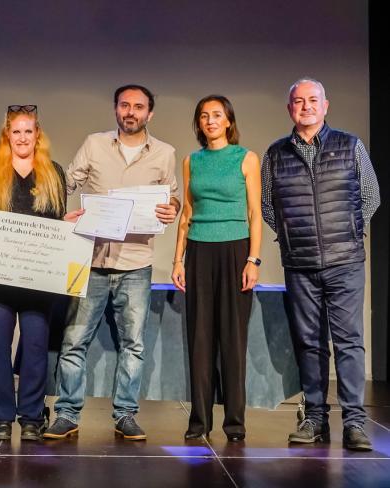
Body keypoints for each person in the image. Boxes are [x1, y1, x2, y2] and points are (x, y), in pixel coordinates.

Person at [43, 84, 180, 441]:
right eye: (124, 105)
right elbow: (64, 183)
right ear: (116, 109)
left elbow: (173, 199)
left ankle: (126, 415)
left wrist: (172, 209)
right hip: (90, 259)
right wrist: (58, 211)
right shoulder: (94, 144)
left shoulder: (164, 153)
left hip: (136, 262)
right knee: (74, 341)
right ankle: (68, 414)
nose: (130, 112)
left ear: (149, 113)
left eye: (138, 107)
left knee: (133, 344)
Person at [262, 78, 380, 451]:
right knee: (310, 343)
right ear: (289, 109)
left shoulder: (350, 145)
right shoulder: (276, 153)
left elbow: (371, 196)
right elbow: (268, 206)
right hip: (300, 263)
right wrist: (292, 236)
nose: (306, 106)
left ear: (326, 106)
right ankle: (314, 417)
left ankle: (355, 424)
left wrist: (348, 232)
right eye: (298, 101)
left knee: (348, 343)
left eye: (313, 100)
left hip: (345, 261)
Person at [0, 104, 81, 441]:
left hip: (39, 279)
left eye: (28, 131)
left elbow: (56, 225)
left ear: (37, 135)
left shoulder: (53, 172)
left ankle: (31, 416)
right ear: (8, 135)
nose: (22, 137)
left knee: (35, 348)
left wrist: (67, 225)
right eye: (16, 131)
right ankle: (1, 417)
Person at [171, 95, 262, 442]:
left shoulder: (246, 158)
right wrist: (178, 259)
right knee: (200, 339)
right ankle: (199, 422)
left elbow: (255, 214)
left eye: (217, 115)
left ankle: (235, 424)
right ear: (199, 123)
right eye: (204, 116)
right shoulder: (191, 161)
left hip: (235, 250)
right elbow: (187, 215)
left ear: (228, 121)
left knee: (232, 340)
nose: (210, 121)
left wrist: (253, 259)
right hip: (199, 251)